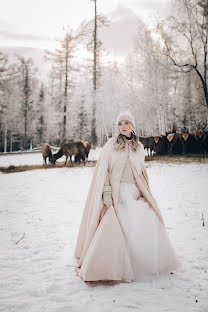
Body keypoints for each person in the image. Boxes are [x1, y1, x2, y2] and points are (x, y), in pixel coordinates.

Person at [74, 111, 181, 283]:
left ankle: (147, 263)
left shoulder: (139, 147)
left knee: (150, 216)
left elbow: (141, 173)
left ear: (132, 125)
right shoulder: (111, 145)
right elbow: (105, 172)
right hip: (117, 192)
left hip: (135, 192)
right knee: (125, 218)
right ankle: (120, 266)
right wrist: (106, 194)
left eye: (127, 123)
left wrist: (147, 194)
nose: (123, 127)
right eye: (120, 124)